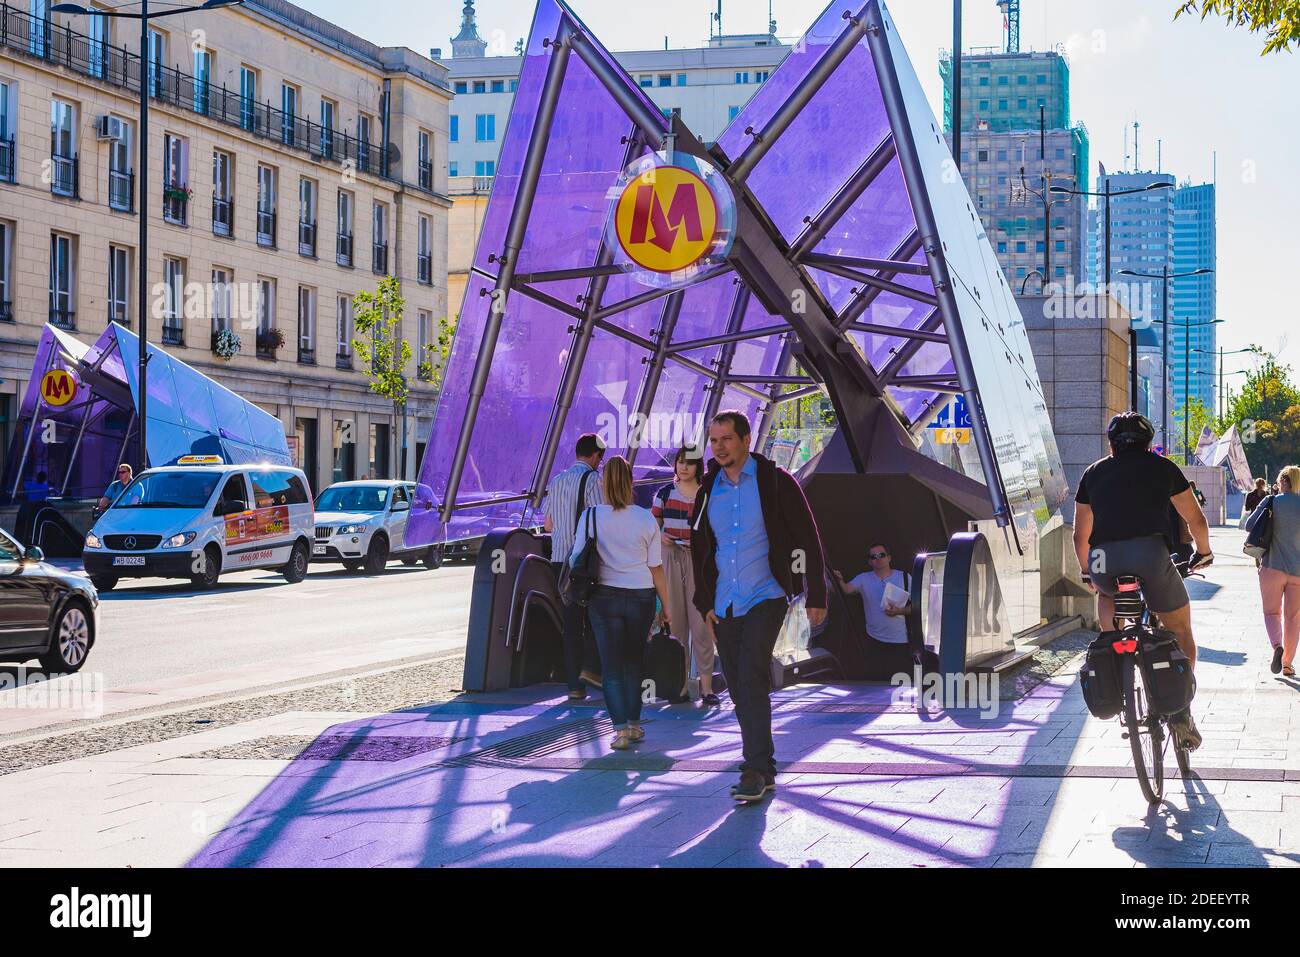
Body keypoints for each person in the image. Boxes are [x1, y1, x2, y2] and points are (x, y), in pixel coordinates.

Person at [690, 410, 827, 803]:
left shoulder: (775, 482)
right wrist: (705, 602)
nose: (718, 448)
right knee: (737, 684)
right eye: (713, 441)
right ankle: (763, 767)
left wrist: (816, 593)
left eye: (726, 440)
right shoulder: (707, 489)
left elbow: (807, 535)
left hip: (766, 594)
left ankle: (754, 768)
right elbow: (701, 546)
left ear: (746, 439)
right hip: (724, 603)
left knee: (750, 674)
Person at [1073, 412, 1213, 751]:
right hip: (1150, 554)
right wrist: (1204, 552)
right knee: (1180, 629)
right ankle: (1180, 711)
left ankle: (1112, 648)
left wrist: (1088, 571)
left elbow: (1081, 535)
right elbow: (1195, 519)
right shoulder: (1163, 468)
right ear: (1149, 442)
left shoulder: (1093, 473)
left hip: (1104, 559)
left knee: (1106, 594)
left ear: (1111, 443)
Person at [571, 455, 673, 750]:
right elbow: (656, 567)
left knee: (611, 667)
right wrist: (666, 606)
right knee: (634, 663)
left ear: (603, 483)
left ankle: (619, 731)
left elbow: (575, 558)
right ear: (631, 483)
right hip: (641, 596)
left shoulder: (590, 516)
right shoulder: (645, 518)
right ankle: (634, 724)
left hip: (602, 598)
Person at [651, 446, 717, 706]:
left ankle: (707, 688)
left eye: (689, 463)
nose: (683, 467)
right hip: (669, 557)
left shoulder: (706, 495)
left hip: (697, 560)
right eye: (680, 462)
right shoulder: (664, 493)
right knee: (674, 622)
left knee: (701, 624)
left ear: (697, 466)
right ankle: (678, 686)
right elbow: (651, 526)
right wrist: (662, 536)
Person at [543, 432, 605, 700]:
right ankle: (592, 671)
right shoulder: (592, 479)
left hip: (559, 561)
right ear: (595, 456)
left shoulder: (557, 481)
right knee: (595, 619)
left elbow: (548, 525)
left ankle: (573, 686)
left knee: (570, 624)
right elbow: (599, 518)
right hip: (583, 562)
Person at [1246, 466, 1300, 677]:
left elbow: (1250, 525)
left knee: (1271, 612)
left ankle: (1277, 646)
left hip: (1271, 567)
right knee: (1293, 618)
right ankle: (1287, 663)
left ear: (1283, 482)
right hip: (1298, 571)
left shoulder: (1271, 501)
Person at [834, 542, 913, 680]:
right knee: (878, 683)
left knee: (901, 683)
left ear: (889, 557)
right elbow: (847, 590)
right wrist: (839, 580)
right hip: (874, 641)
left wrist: (899, 611)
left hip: (900, 641)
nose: (878, 558)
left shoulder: (905, 577)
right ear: (870, 562)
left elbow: (919, 607)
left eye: (881, 555)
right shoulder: (863, 578)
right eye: (873, 556)